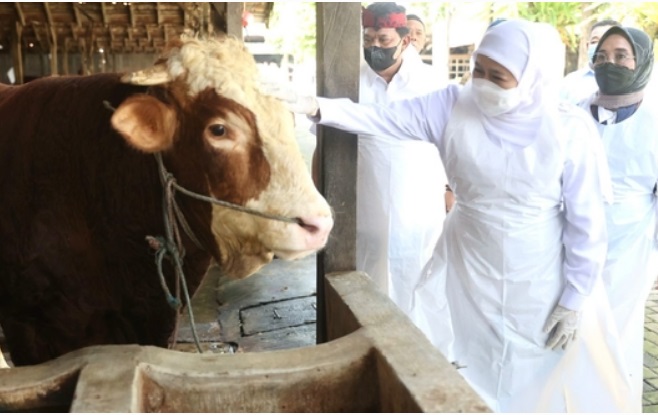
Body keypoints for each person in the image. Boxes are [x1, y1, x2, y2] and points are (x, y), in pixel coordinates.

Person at [271, 19, 633, 412]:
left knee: (535, 366)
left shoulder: (568, 129)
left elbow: (587, 223)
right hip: (469, 260)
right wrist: (316, 106)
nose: (483, 83)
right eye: (479, 70)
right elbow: (380, 118)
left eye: (499, 76)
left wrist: (575, 297)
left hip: (540, 270)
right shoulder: (451, 105)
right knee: (469, 355)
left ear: (533, 78)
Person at [341, 3, 448, 318]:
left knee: (418, 273)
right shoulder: (349, 81)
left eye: (383, 40)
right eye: (369, 39)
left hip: (419, 204)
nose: (374, 47)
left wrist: (451, 188)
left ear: (404, 41)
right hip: (365, 202)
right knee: (367, 273)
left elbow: (450, 142)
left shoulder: (432, 82)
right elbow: (325, 139)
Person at [578, 25, 657, 411]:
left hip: (630, 248)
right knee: (573, 333)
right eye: (602, 56)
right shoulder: (574, 116)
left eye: (622, 56)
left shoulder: (655, 122)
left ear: (641, 62)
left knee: (616, 333)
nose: (610, 63)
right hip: (571, 243)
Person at [560, 19, 619, 105]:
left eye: (607, 40)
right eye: (594, 42)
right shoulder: (569, 83)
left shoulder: (635, 84)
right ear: (588, 46)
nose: (600, 46)